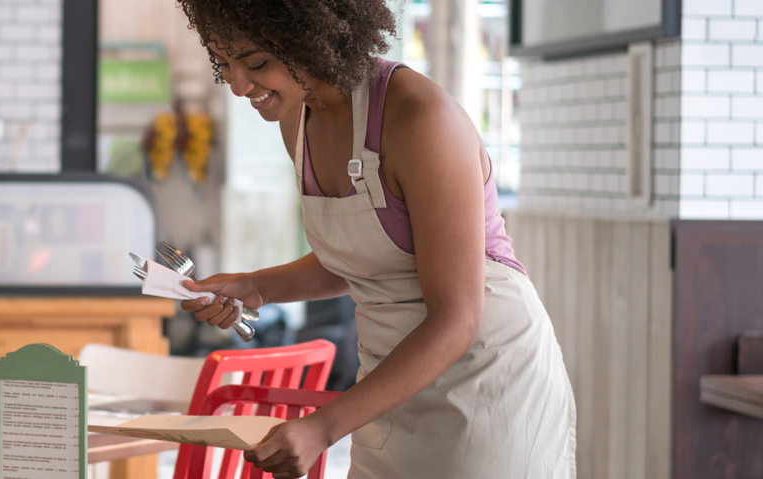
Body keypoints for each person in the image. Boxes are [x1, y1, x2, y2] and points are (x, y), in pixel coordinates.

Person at [174, 1, 577, 478]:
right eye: (224, 65)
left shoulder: (421, 118)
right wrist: (256, 287)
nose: (240, 85)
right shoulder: (298, 118)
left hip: (487, 379)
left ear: (311, 36)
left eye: (257, 62)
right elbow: (363, 253)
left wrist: (323, 429)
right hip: (388, 385)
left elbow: (458, 320)